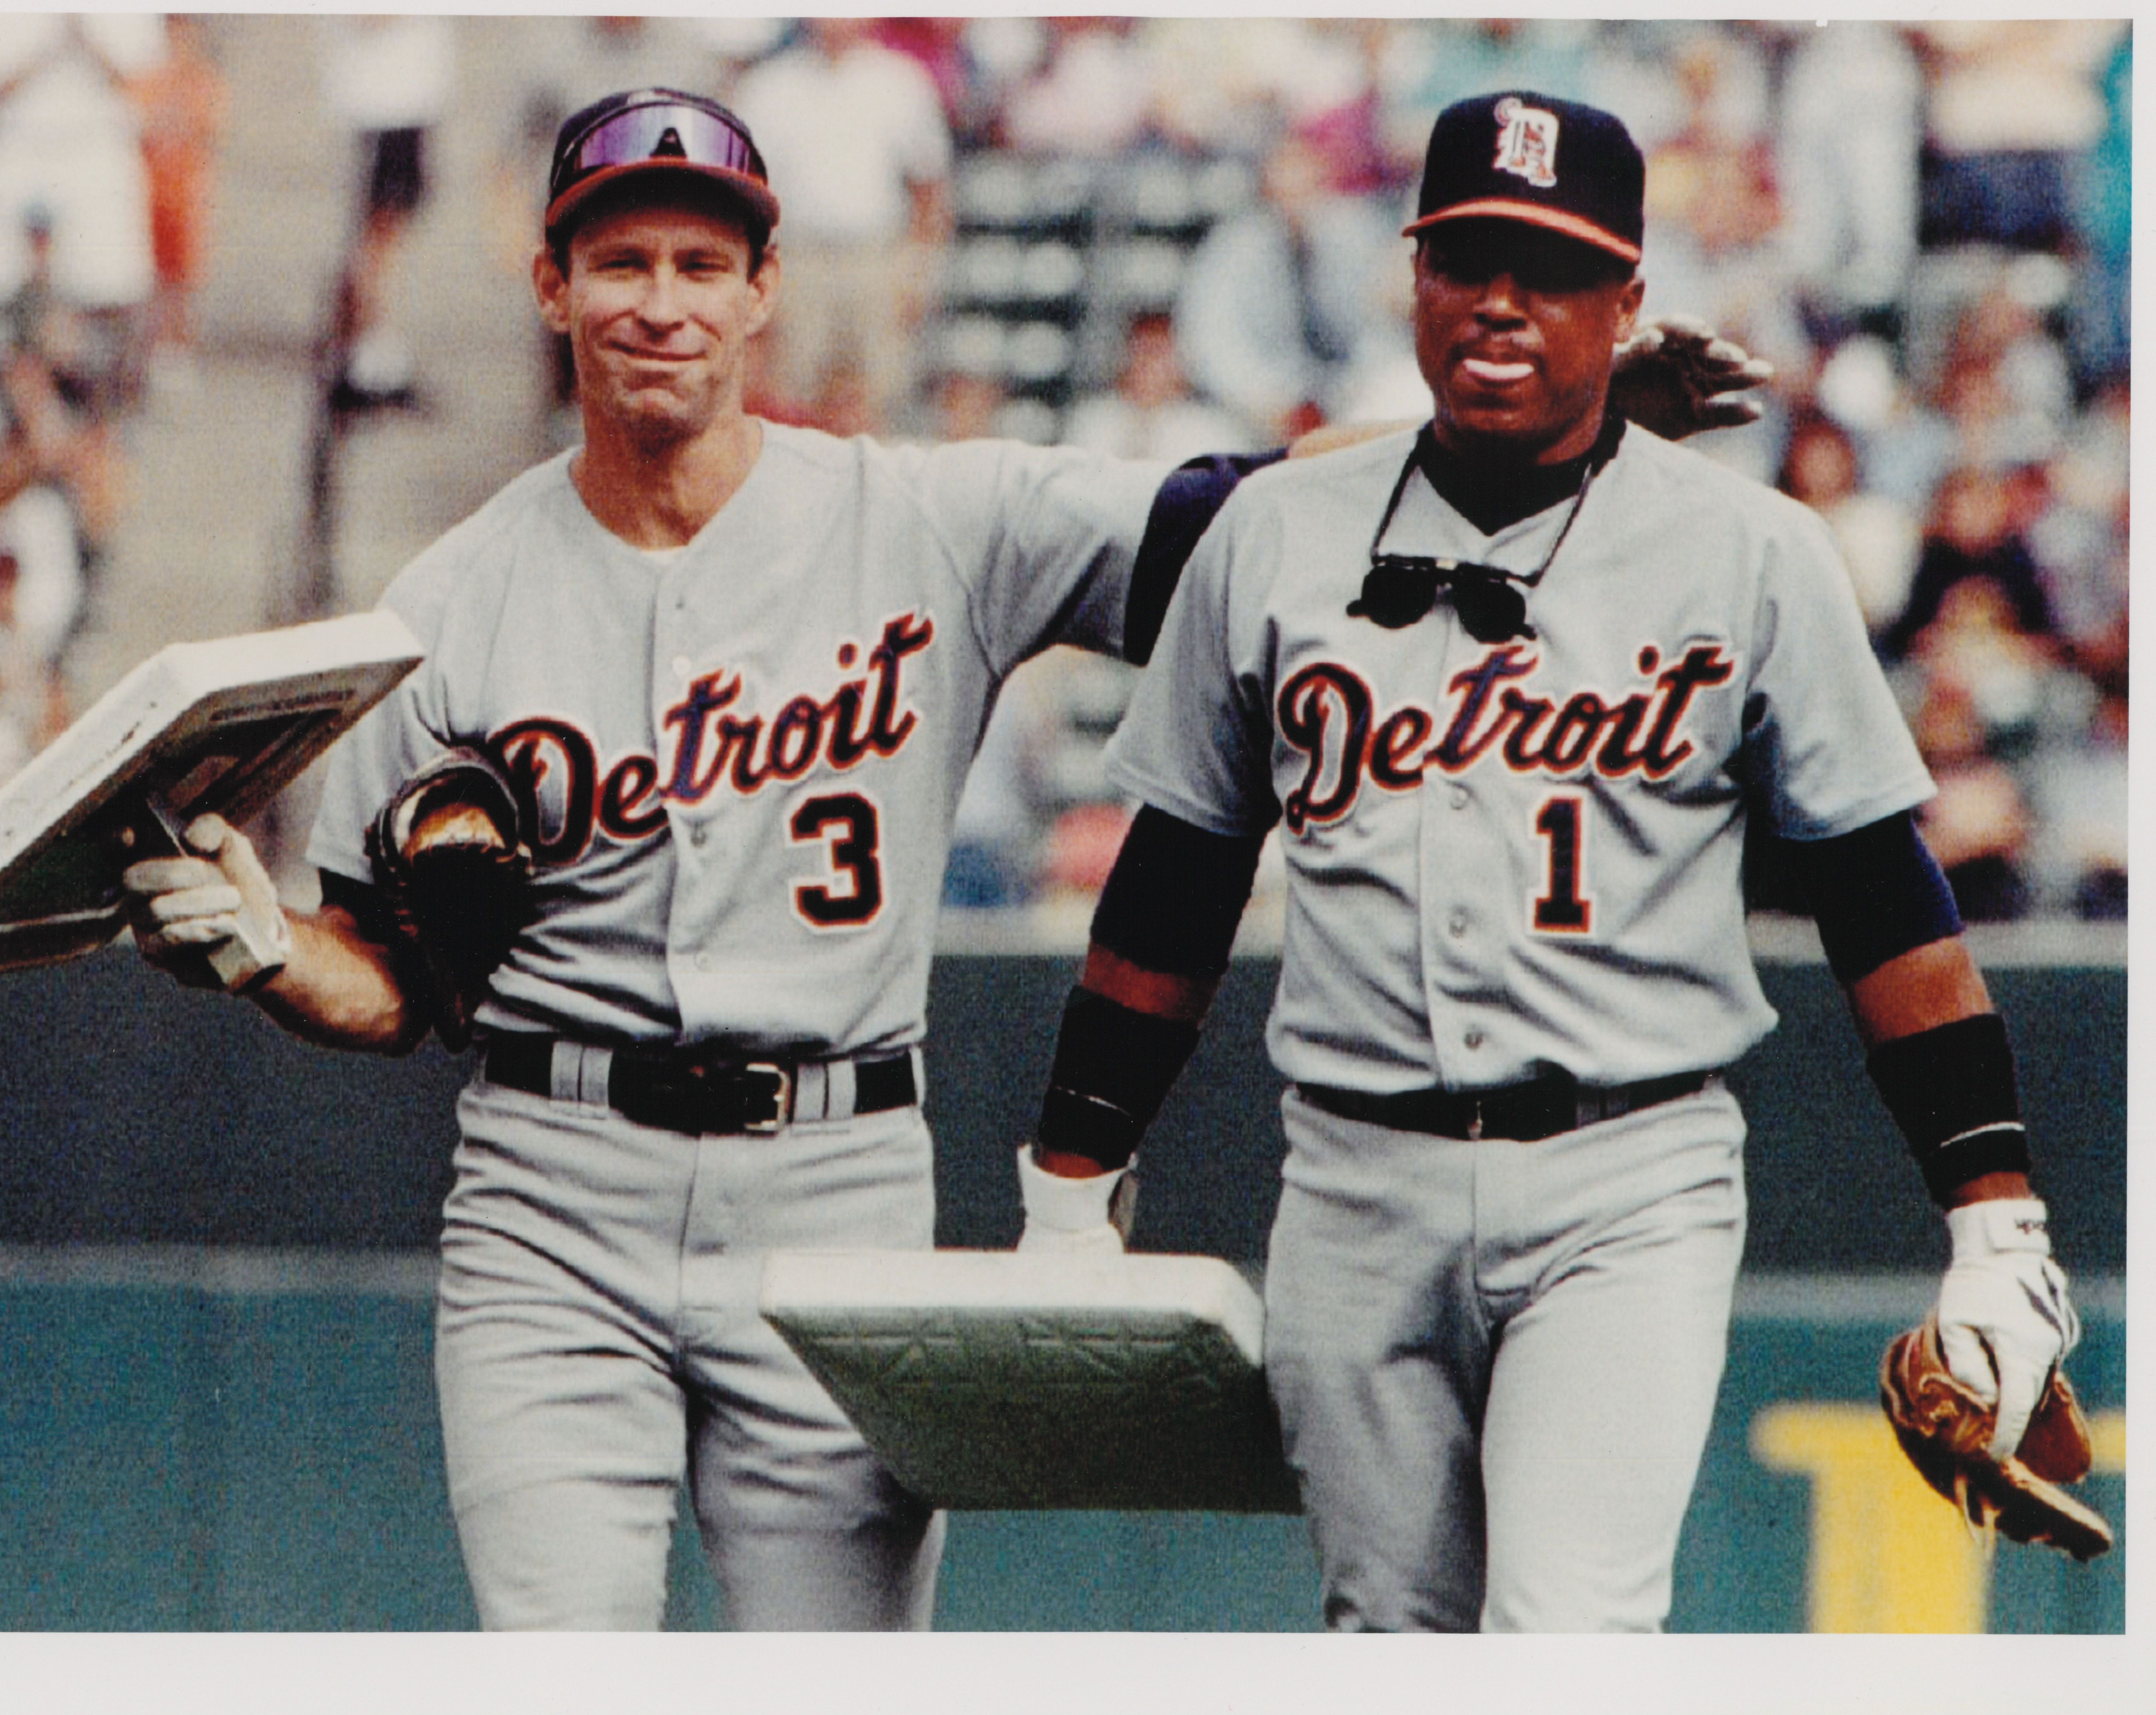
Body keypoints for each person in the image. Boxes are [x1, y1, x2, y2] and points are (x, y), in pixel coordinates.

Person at [117, 86, 1764, 1633]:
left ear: (765, 288)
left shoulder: (924, 517)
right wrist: (269, 952)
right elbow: (383, 980)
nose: (661, 301)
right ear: (550, 287)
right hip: (552, 1192)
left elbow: (1243, 511)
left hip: (834, 1174)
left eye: (702, 261)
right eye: (620, 260)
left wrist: (1532, 414)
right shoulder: (454, 594)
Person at [1010, 91, 2081, 1633]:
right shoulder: (1273, 533)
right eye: (1467, 258)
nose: (1501, 300)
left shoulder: (1751, 549)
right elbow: (1172, 881)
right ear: (1414, 275)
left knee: (1567, 1636)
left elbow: (1879, 895)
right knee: (1392, 1637)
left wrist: (1994, 1223)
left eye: (1553, 267)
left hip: (1624, 1171)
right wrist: (1068, 1184)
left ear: (1627, 301)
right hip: (1352, 1177)